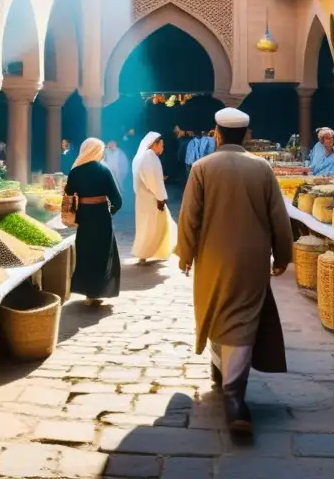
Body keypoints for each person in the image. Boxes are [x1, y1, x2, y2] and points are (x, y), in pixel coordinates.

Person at [177, 107, 292, 435]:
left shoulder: (201, 168)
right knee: (241, 316)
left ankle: (234, 399)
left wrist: (185, 253)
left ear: (216, 134)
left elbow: (189, 217)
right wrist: (282, 255)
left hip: (212, 256)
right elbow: (279, 218)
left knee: (218, 310)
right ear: (247, 136)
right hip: (251, 259)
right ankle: (225, 377)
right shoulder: (262, 168)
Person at [66, 138, 122, 306]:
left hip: (84, 218)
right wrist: (109, 212)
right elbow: (117, 200)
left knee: (85, 253)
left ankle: (89, 294)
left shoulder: (75, 171)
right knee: (102, 254)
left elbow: (68, 192)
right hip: (101, 218)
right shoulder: (104, 170)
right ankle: (98, 292)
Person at [132, 132, 174, 264]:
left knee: (146, 225)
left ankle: (149, 252)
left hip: (143, 198)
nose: (162, 148)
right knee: (154, 225)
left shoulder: (142, 157)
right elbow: (153, 181)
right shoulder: (150, 156)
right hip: (152, 198)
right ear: (154, 144)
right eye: (161, 145)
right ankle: (145, 252)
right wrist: (161, 197)